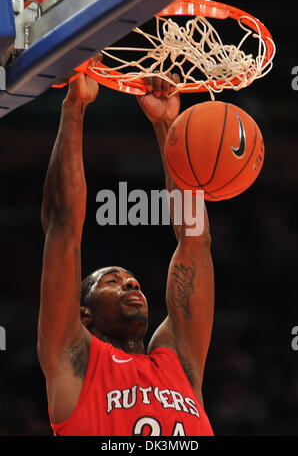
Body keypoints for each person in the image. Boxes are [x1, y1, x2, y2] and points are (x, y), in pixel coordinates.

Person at [37, 55, 215, 436]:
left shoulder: (179, 363)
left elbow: (195, 241)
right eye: (112, 280)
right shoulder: (74, 361)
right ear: (82, 314)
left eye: (130, 279)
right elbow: (63, 226)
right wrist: (75, 106)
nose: (132, 284)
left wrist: (167, 125)